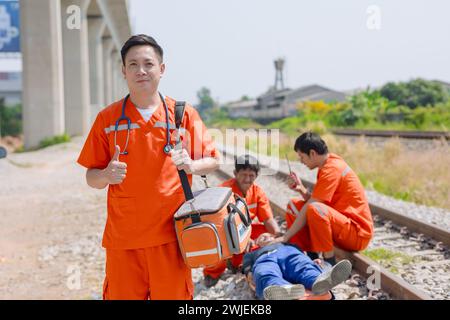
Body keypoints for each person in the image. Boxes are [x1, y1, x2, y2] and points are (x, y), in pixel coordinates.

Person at [77, 34, 220, 300]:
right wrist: (106, 175)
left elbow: (213, 160)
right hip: (124, 242)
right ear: (123, 71)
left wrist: (191, 164)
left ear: (161, 69)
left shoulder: (181, 114)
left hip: (172, 239)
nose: (141, 70)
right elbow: (91, 177)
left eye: (148, 63)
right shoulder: (107, 119)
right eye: (133, 64)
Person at [275, 132, 373, 266]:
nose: (300, 161)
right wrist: (302, 190)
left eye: (301, 156)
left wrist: (286, 236)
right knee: (294, 205)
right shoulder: (327, 165)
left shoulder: (332, 169)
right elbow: (319, 202)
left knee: (315, 209)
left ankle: (328, 263)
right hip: (341, 226)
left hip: (357, 234)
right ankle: (308, 255)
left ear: (312, 153)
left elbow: (315, 206)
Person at [203, 155, 281, 286]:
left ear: (256, 176)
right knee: (216, 242)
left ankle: (239, 263)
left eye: (251, 175)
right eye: (243, 174)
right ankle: (212, 272)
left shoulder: (257, 192)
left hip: (245, 230)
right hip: (226, 232)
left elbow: (268, 219)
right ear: (235, 173)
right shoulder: (223, 191)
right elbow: (219, 224)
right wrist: (242, 238)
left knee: (266, 234)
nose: (247, 179)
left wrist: (279, 235)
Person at [242, 233, 352, 300]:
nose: (267, 236)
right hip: (264, 259)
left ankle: (318, 280)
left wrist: (313, 262)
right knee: (264, 272)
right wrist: (249, 274)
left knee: (302, 265)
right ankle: (281, 290)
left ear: (276, 237)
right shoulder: (253, 253)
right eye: (262, 237)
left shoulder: (287, 243)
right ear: (257, 243)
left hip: (287, 252)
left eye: (270, 235)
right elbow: (246, 266)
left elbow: (303, 258)